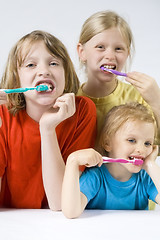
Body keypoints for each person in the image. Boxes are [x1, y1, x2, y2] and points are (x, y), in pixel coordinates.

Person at [0, 30, 97, 210]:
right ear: (16, 79)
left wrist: (47, 129)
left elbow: (61, 202)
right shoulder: (3, 115)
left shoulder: (82, 110)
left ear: (66, 74)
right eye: (30, 65)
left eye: (53, 63)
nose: (43, 71)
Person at [62, 102, 160, 218]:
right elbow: (71, 212)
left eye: (147, 143)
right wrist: (73, 161)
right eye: (131, 140)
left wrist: (150, 165)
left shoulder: (145, 178)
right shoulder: (96, 177)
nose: (141, 149)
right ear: (107, 143)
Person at [76, 10, 160, 146]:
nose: (110, 55)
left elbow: (153, 147)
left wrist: (157, 102)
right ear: (82, 52)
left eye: (118, 49)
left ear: (127, 53)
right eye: (100, 47)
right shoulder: (71, 100)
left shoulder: (138, 97)